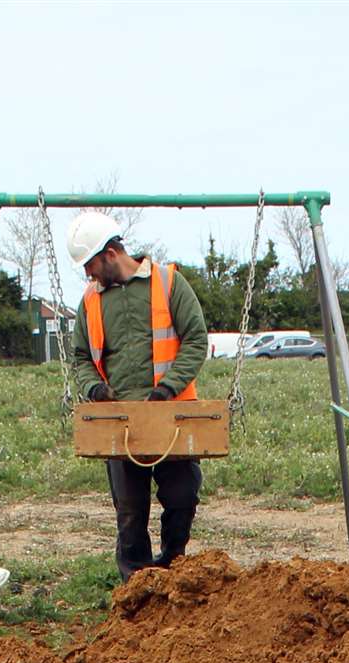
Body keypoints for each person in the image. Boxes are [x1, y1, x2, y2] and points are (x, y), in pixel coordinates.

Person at [66, 211, 210, 581]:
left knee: (182, 496)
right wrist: (93, 388)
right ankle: (136, 583)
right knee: (129, 510)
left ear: (111, 253)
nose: (89, 274)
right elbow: (80, 357)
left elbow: (195, 339)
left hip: (171, 416)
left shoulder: (169, 283)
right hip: (119, 421)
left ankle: (172, 568)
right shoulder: (90, 301)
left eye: (91, 264)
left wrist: (168, 388)